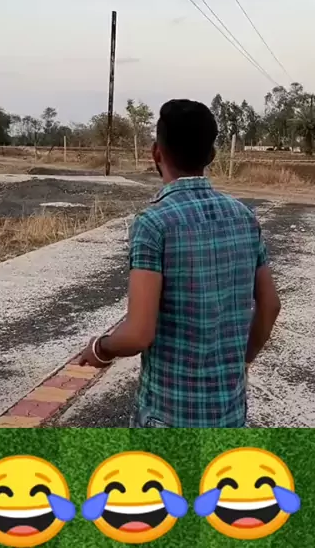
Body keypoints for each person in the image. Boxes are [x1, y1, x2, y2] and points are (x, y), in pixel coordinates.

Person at [79, 98, 280, 428]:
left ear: (156, 153)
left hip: (169, 417)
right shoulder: (245, 217)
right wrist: (241, 362)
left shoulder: (153, 224)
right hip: (230, 413)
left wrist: (100, 348)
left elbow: (138, 334)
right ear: (211, 155)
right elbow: (270, 305)